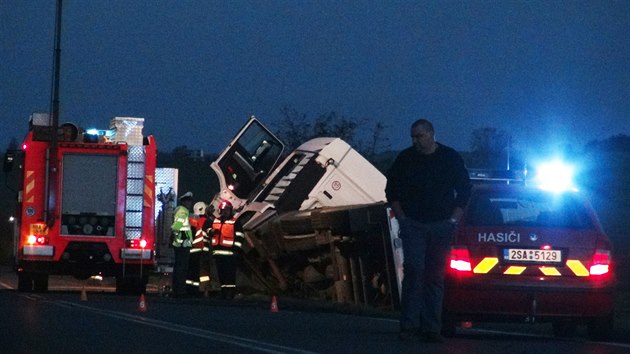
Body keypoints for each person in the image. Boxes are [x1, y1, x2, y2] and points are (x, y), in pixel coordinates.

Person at [385, 118, 471, 343]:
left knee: (435, 276)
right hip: (413, 224)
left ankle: (432, 327)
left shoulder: (449, 158)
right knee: (414, 271)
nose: (416, 141)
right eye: (413, 137)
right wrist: (402, 218)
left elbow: (464, 190)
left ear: (431, 134)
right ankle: (409, 325)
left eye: (419, 136)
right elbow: (391, 189)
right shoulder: (406, 159)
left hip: (441, 225)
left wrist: (453, 220)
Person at [171, 191, 194, 297]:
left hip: (181, 244)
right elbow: (176, 227)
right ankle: (179, 290)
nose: (190, 203)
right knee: (181, 268)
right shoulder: (182, 211)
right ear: (184, 202)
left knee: (179, 268)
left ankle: (177, 289)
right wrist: (182, 236)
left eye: (190, 201)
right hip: (182, 245)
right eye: (188, 201)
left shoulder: (182, 211)